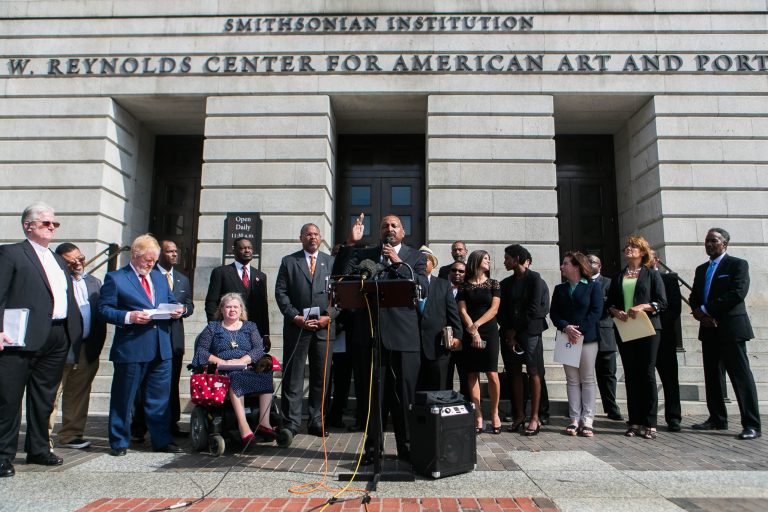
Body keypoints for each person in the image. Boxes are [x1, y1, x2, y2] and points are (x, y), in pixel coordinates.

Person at [332, 213, 428, 462]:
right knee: (371, 396)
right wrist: (350, 244)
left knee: (404, 397)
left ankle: (406, 448)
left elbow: (422, 287)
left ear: (403, 232)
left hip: (404, 339)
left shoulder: (415, 257)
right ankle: (373, 449)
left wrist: (397, 263)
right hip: (369, 337)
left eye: (394, 225)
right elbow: (341, 277)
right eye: (385, 225)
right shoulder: (366, 255)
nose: (389, 228)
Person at [0, 203, 82, 478]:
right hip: (19, 337)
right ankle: (3, 455)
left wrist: (72, 333)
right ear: (28, 226)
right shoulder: (11, 253)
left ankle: (38, 448)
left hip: (56, 335)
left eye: (54, 224)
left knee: (44, 397)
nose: (51, 227)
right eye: (46, 223)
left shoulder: (57, 260)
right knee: (9, 399)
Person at [98, 234, 184, 456]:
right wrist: (129, 317)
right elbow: (104, 309)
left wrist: (178, 309)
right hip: (132, 347)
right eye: (147, 260)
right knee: (124, 397)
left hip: (160, 347)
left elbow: (171, 300)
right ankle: (118, 441)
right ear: (135, 256)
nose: (151, 264)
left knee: (159, 398)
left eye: (154, 260)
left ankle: (161, 440)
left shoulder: (158, 277)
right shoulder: (116, 278)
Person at [689, 228, 761, 440]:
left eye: (714, 241)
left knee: (741, 378)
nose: (709, 244)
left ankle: (751, 424)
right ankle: (717, 418)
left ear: (725, 244)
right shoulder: (702, 269)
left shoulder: (737, 265)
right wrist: (701, 315)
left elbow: (737, 293)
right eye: (707, 241)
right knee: (712, 376)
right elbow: (694, 297)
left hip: (731, 329)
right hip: (709, 329)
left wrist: (708, 310)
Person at [274, 223, 336, 438]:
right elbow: (281, 293)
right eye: (308, 234)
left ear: (321, 238)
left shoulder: (331, 262)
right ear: (301, 237)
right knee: (293, 376)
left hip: (323, 329)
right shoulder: (289, 262)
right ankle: (291, 422)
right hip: (297, 328)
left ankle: (316, 421)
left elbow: (339, 295)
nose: (312, 238)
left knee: (321, 377)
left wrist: (328, 316)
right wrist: (295, 317)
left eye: (316, 234)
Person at [132, 240, 194, 441]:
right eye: (169, 251)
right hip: (150, 336)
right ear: (159, 254)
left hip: (173, 338)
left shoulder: (183, 279)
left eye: (176, 251)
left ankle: (171, 423)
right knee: (145, 384)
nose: (174, 254)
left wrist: (183, 310)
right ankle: (139, 427)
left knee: (171, 383)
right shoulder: (150, 275)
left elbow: (189, 305)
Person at [192, 293, 275, 443]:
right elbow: (202, 351)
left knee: (267, 377)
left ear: (241, 310)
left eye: (235, 307)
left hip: (246, 367)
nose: (232, 310)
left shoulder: (250, 327)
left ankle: (264, 423)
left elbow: (258, 349)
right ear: (222, 309)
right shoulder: (213, 327)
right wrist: (222, 362)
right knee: (236, 379)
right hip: (221, 371)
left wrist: (241, 360)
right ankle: (244, 428)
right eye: (228, 306)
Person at [607, 236, 667, 440]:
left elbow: (661, 303)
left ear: (642, 252)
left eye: (633, 247)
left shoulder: (651, 274)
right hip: (626, 329)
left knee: (647, 373)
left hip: (648, 328)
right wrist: (616, 312)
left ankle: (650, 422)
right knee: (631, 374)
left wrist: (642, 306)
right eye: (627, 246)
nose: (628, 249)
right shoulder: (619, 276)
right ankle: (634, 421)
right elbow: (611, 303)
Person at [48, 243, 107, 450]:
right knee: (52, 393)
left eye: (80, 258)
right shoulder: (57, 281)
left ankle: (71, 434)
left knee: (79, 392)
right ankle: (43, 436)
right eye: (71, 261)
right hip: (62, 346)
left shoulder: (95, 282)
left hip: (87, 346)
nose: (77, 263)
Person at [498, 244, 549, 436]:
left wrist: (515, 331)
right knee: (514, 372)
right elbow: (501, 311)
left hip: (530, 333)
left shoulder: (535, 279)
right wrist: (509, 332)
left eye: (507, 258)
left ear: (517, 258)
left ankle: (534, 417)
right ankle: (519, 415)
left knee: (534, 371)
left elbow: (535, 309)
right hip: (510, 334)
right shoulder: (505, 283)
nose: (504, 261)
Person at [550, 251, 603, 438]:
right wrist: (566, 328)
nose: (562, 267)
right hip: (566, 339)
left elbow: (596, 312)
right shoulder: (560, 289)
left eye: (565, 263)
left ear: (576, 266)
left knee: (587, 379)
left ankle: (587, 420)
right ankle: (574, 418)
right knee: (572, 380)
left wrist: (579, 331)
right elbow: (554, 313)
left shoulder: (593, 287)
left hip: (587, 339)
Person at [457, 250, 501, 435]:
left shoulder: (494, 283)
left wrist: (477, 326)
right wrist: (471, 329)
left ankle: (495, 412)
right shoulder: (464, 286)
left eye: (489, 259)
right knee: (472, 373)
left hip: (489, 331)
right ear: (476, 261)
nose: (488, 262)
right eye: (485, 259)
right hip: (469, 332)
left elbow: (494, 309)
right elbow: (462, 310)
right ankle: (478, 415)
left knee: (492, 373)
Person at [205, 237, 270, 346]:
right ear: (234, 250)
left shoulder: (261, 276)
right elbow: (211, 303)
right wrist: (216, 328)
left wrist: (266, 334)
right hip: (228, 331)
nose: (247, 251)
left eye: (250, 248)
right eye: (243, 248)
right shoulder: (221, 273)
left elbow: (263, 307)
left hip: (253, 333)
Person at [417, 246, 462, 391]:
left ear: (432, 264)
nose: (424, 264)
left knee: (440, 387)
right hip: (414, 346)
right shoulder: (408, 284)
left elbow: (453, 313)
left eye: (427, 261)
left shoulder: (443, 285)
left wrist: (457, 335)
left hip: (438, 346)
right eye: (420, 261)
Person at [587, 254, 623, 421]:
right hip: (585, 335)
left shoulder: (609, 283)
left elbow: (612, 304)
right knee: (584, 375)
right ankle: (585, 407)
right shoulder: (579, 283)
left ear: (600, 265)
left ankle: (611, 407)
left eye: (592, 261)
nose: (588, 263)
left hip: (604, 334)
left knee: (607, 374)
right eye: (586, 261)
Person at [650, 250, 682, 432]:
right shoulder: (640, 280)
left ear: (657, 260)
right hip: (644, 336)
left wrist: (656, 324)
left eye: (650, 258)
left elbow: (674, 309)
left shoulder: (669, 280)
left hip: (665, 336)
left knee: (670, 379)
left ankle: (674, 417)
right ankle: (649, 417)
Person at [445, 260, 469, 396]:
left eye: (461, 271)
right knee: (446, 375)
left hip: (465, 340)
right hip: (446, 339)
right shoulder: (442, 288)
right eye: (454, 270)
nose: (457, 273)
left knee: (465, 375)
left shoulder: (470, 290)